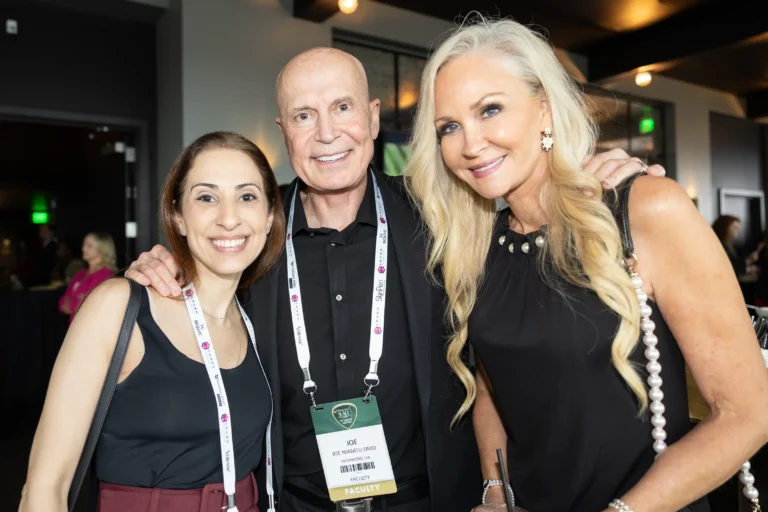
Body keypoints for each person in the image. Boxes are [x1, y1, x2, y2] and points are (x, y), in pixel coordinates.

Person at [126, 48, 664, 512]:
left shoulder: (447, 215)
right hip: (291, 501)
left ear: (373, 116)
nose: (327, 133)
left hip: (434, 500)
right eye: (304, 115)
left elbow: (529, 203)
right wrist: (169, 263)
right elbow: (198, 271)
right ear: (284, 129)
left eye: (342, 108)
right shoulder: (250, 233)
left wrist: (607, 177)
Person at [405, 16, 768, 512]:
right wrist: (495, 490)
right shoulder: (478, 247)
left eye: (490, 109)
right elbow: (492, 387)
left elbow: (748, 414)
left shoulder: (644, 209)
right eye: (449, 126)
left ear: (544, 108)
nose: (470, 144)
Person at [20, 132, 285, 512]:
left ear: (269, 215)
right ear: (178, 217)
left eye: (247, 196)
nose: (229, 218)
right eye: (206, 197)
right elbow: (46, 488)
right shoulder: (118, 306)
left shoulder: (255, 318)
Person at [58, 232, 117, 322]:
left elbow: (90, 304)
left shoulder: (105, 275)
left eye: (89, 246)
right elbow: (62, 302)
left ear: (102, 250)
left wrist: (72, 303)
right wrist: (76, 302)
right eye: (84, 244)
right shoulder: (80, 274)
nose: (83, 248)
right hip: (75, 325)